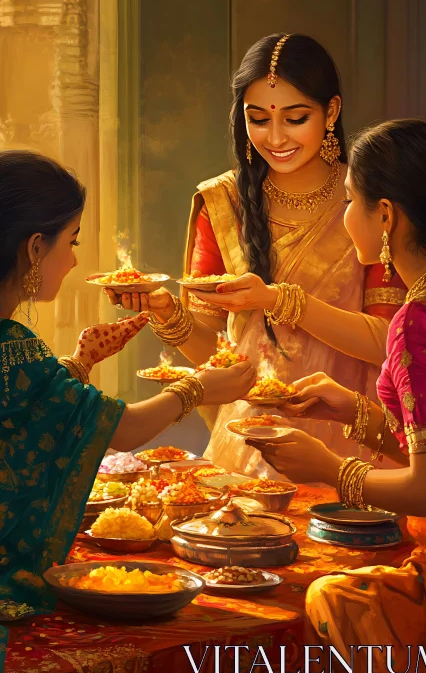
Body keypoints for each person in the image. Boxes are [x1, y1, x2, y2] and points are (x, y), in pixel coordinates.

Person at [106, 33, 405, 475]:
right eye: (258, 119)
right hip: (246, 448)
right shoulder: (223, 205)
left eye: (295, 117)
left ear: (332, 112)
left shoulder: (368, 202)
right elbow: (221, 358)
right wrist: (166, 313)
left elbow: (390, 343)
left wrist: (281, 301)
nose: (276, 137)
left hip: (350, 441)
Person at [0, 150, 255, 617]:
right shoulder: (13, 345)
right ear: (35, 248)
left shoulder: (16, 348)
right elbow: (121, 429)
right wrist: (198, 387)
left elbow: (24, 411)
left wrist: (81, 362)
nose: (74, 261)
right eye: (71, 242)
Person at [250, 119, 426, 671]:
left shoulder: (419, 318)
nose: (343, 217)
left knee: (328, 597)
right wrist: (355, 412)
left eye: (349, 201)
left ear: (385, 215)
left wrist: (331, 469)